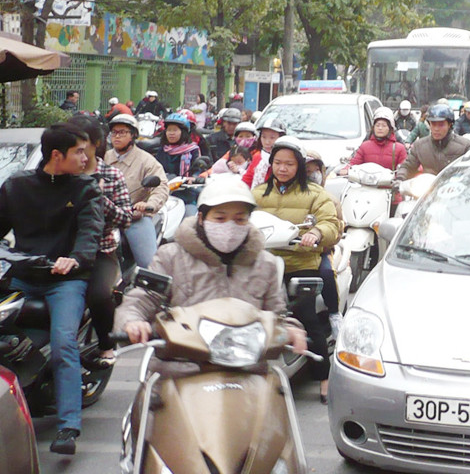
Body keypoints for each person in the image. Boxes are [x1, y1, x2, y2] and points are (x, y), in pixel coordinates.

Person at [114, 177, 307, 373]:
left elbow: (277, 315)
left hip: (247, 372)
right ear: (201, 218)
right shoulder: (171, 256)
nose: (230, 227)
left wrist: (290, 330)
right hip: (180, 371)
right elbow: (142, 299)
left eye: (240, 219)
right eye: (220, 218)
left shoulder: (265, 263)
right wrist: (132, 321)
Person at [0, 123, 104, 454]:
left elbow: (91, 232)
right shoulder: (16, 186)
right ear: (57, 156)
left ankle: (68, 426)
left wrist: (75, 260)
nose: (86, 158)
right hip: (22, 276)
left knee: (63, 346)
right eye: (79, 152)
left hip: (66, 281)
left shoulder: (87, 189)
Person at [252, 137, 339, 403]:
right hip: (264, 264)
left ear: (299, 166)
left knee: (307, 316)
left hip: (301, 263)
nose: (283, 168)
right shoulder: (257, 193)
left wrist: (315, 232)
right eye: (278, 162)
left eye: (289, 164)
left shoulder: (316, 194)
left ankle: (324, 377)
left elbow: (331, 225)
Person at [68, 115, 133, 369]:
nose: (79, 153)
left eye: (82, 145)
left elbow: (126, 217)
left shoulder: (111, 175)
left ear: (96, 143)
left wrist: (99, 198)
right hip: (62, 251)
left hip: (101, 252)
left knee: (99, 295)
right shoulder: (62, 172)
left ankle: (106, 345)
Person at [105, 114, 169, 268]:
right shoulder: (103, 158)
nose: (117, 136)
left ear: (133, 135)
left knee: (149, 264)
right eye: (114, 132)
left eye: (122, 132)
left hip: (133, 217)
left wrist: (148, 205)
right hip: (104, 217)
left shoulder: (146, 160)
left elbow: (161, 186)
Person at [305, 150, 344, 338]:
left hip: (320, 251)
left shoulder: (330, 200)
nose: (311, 175)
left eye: (314, 170)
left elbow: (337, 231)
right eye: (305, 171)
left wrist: (319, 237)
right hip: (291, 251)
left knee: (327, 273)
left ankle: (334, 314)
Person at [396, 104, 470, 180]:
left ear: (450, 125)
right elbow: (408, 166)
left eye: (441, 125)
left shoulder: (465, 146)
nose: (436, 129)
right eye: (433, 124)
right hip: (427, 189)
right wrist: (399, 178)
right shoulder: (419, 146)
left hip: (455, 188)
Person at [347, 107, 407, 172]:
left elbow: (405, 168)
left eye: (384, 126)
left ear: (390, 128)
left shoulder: (399, 148)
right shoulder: (365, 146)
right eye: (377, 125)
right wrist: (346, 169)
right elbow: (354, 162)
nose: (380, 128)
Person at [242, 120, 287, 188]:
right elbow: (247, 179)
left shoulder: (287, 158)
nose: (267, 142)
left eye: (272, 138)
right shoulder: (257, 156)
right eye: (264, 137)